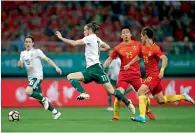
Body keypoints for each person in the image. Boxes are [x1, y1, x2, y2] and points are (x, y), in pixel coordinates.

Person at [55, 22, 135, 115]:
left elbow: (74, 43)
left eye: (85, 30)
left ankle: (128, 103)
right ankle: (83, 93)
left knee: (111, 90)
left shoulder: (89, 38)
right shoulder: (97, 39)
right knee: (70, 76)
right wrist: (96, 49)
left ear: (89, 30)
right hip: (90, 70)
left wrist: (61, 38)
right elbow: (107, 47)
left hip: (97, 69)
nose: (84, 32)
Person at [124, 27, 195, 123]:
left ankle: (141, 116)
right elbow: (138, 56)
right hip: (150, 76)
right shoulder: (143, 47)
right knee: (161, 100)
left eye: (141, 36)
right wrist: (129, 64)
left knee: (140, 92)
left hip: (154, 75)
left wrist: (162, 71)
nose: (140, 38)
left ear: (145, 36)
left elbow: (165, 58)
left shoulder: (155, 48)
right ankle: (183, 96)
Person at [104, 26, 155, 121]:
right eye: (123, 33)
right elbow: (110, 59)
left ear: (130, 34)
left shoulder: (138, 44)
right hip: (123, 75)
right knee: (118, 94)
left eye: (127, 33)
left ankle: (147, 111)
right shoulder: (118, 47)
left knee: (143, 95)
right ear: (121, 35)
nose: (126, 34)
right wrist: (102, 67)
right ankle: (115, 116)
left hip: (136, 75)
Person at [17, 35, 62, 119]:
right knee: (39, 98)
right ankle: (55, 112)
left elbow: (47, 59)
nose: (28, 43)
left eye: (29, 42)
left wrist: (56, 67)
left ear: (33, 43)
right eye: (26, 42)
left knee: (27, 91)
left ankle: (44, 99)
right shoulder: (22, 53)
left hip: (37, 76)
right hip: (30, 77)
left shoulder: (37, 51)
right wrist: (19, 65)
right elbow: (21, 65)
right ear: (24, 43)